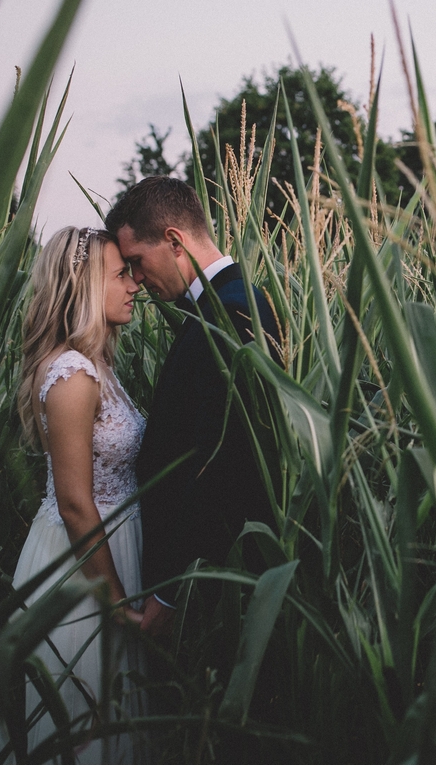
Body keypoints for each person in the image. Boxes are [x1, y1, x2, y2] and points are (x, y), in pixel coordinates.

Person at [0, 226, 146, 763]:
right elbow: (75, 502)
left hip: (107, 546)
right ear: (82, 286)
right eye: (121, 275)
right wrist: (115, 600)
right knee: (81, 714)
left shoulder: (97, 363)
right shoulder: (73, 375)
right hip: (83, 565)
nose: (134, 285)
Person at [104, 176, 282, 640]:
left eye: (138, 262)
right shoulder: (227, 301)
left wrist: (171, 592)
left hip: (205, 580)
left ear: (174, 241)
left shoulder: (235, 312)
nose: (137, 280)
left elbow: (226, 461)